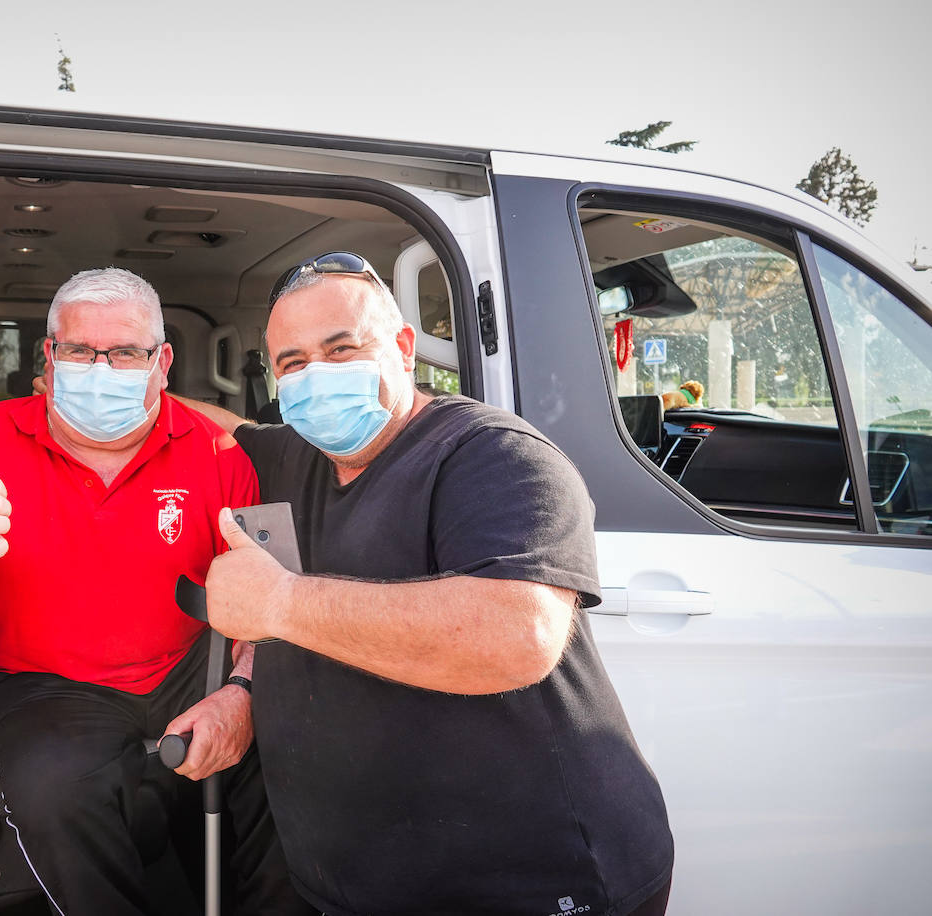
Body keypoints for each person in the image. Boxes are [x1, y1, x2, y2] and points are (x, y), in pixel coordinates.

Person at [187, 252, 674, 916]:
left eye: (342, 348)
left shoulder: (492, 455)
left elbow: (516, 635)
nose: (318, 376)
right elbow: (205, 427)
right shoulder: (294, 457)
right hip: (357, 883)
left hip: (527, 889)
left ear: (404, 349)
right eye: (294, 363)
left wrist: (279, 603)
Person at [0, 267, 310, 916]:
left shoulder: (220, 454)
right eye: (79, 350)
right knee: (55, 792)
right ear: (48, 356)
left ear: (161, 362)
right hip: (45, 679)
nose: (101, 368)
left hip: (190, 665)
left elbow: (276, 606)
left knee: (291, 753)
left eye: (126, 352)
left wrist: (243, 694)